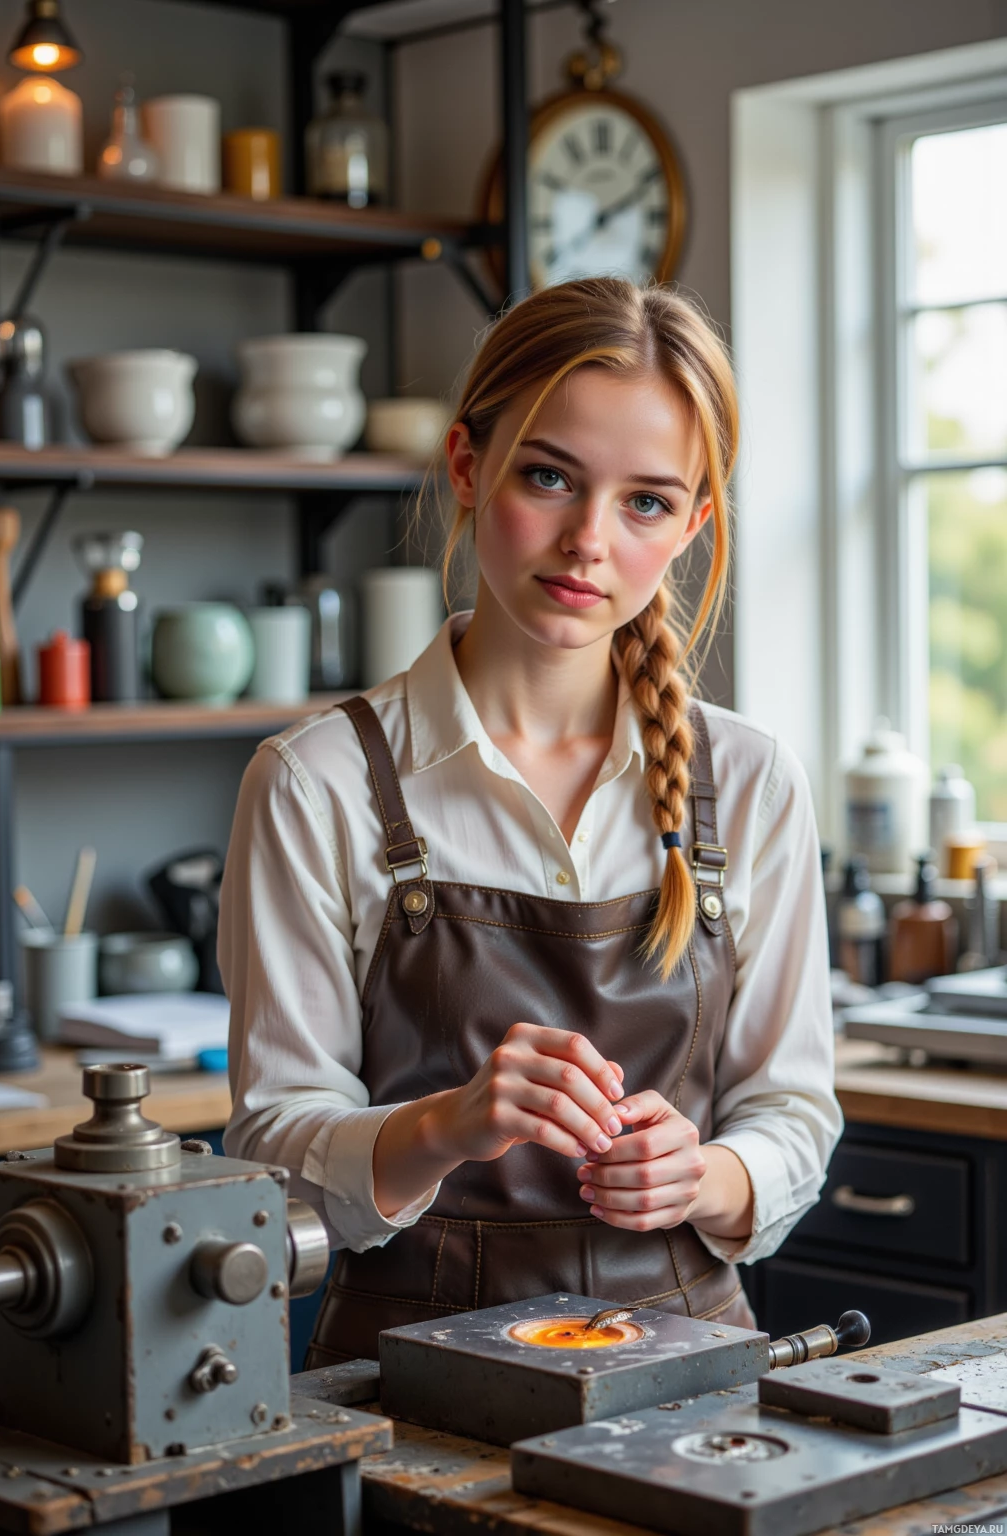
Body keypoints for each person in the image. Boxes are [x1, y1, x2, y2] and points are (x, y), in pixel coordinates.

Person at [220, 276, 842, 1365]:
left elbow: (791, 1111)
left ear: (694, 522)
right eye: (550, 477)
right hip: (404, 1373)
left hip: (692, 1374)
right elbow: (273, 1157)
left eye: (646, 501)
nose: (588, 541)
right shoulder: (315, 783)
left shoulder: (749, 780)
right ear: (468, 466)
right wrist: (445, 1126)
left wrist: (704, 1174)